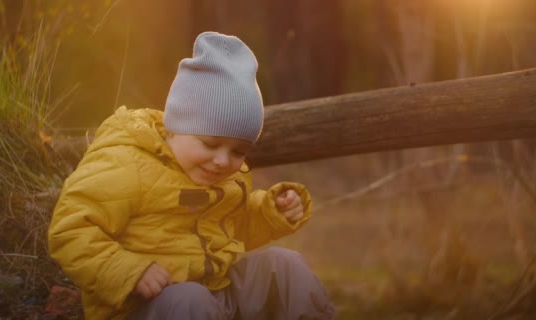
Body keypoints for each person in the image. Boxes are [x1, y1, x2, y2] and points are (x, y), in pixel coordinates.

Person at [48, 31, 335, 320]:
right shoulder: (127, 163)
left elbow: (234, 225)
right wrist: (129, 272)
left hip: (216, 295)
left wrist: (272, 212)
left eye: (239, 152)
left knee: (284, 267)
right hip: (147, 306)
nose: (223, 160)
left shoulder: (223, 178)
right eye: (210, 144)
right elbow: (70, 229)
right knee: (189, 299)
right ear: (175, 127)